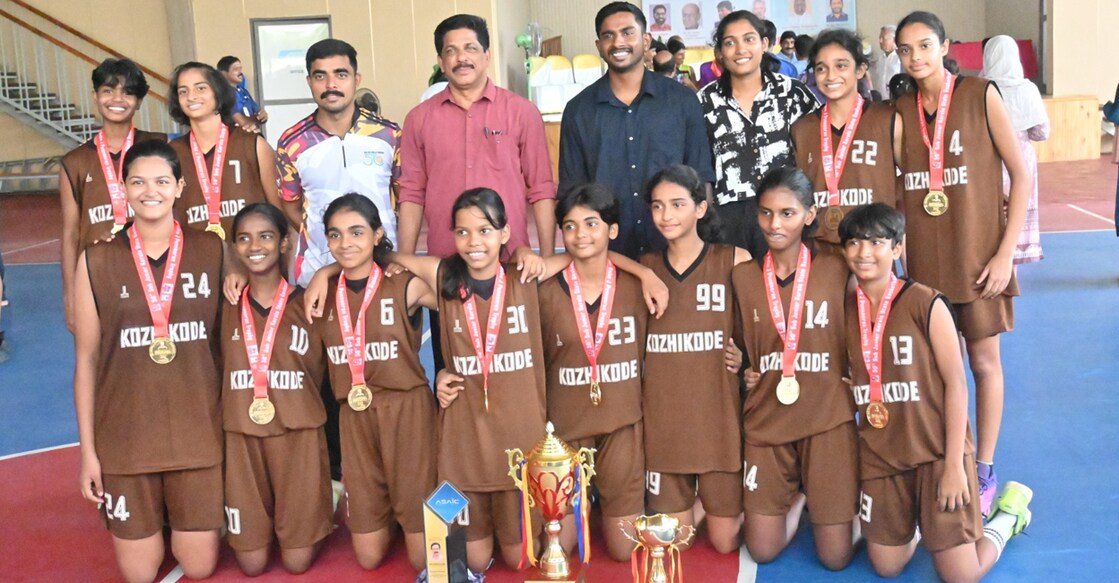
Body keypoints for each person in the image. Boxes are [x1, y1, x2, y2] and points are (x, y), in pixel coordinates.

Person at [838, 203, 1034, 581]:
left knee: (961, 576)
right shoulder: (846, 308)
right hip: (883, 453)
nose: (864, 253)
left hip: (935, 451)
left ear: (897, 249)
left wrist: (954, 467)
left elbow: (957, 384)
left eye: (876, 242)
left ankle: (1007, 517)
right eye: (854, 243)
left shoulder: (926, 302)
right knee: (886, 566)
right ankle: (919, 521)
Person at [894, 10, 1030, 518]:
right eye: (906, 50)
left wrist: (1004, 252)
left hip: (979, 261)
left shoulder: (980, 94)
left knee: (983, 364)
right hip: (925, 271)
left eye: (925, 46)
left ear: (944, 45)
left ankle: (986, 466)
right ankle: (943, 459)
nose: (915, 58)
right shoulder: (900, 111)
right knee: (931, 373)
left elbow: (1021, 173)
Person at [72, 140, 224, 583]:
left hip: (196, 434)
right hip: (127, 438)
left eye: (161, 181)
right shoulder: (96, 259)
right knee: (139, 574)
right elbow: (86, 360)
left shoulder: (213, 252)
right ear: (123, 190)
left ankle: (176, 514)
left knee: (198, 566)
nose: (149, 191)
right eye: (137, 182)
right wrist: (89, 453)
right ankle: (152, 516)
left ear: (180, 187)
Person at [388, 189, 547, 574]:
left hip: (518, 443)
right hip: (466, 442)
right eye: (462, 232)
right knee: (470, 561)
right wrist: (326, 272)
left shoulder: (526, 277)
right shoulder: (444, 277)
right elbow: (382, 256)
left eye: (485, 230)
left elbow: (587, 258)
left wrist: (529, 251)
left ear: (506, 233)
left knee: (521, 559)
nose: (474, 242)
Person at [398, 14, 557, 373]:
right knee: (453, 374)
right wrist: (404, 261)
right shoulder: (419, 119)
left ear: (486, 55)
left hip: (512, 264)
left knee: (516, 369)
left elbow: (542, 188)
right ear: (441, 62)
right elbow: (411, 193)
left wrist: (546, 257)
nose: (461, 58)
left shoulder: (521, 113)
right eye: (451, 51)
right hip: (447, 267)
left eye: (470, 48)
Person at [732, 167, 857, 569]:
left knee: (836, 559)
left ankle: (832, 499)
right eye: (766, 213)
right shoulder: (742, 277)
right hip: (768, 420)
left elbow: (872, 321)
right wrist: (743, 369)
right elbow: (740, 349)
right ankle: (803, 494)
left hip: (827, 417)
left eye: (787, 213)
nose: (775, 224)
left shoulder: (839, 269)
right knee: (762, 550)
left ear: (809, 214)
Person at [319, 194, 439, 571]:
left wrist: (391, 257)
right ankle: (386, 513)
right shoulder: (322, 292)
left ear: (377, 233)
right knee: (368, 558)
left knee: (423, 560)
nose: (346, 243)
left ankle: (411, 514)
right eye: (335, 235)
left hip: (406, 409)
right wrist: (324, 274)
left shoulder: (403, 283)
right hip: (354, 414)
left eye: (357, 232)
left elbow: (451, 279)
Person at [640, 165, 750, 555]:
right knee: (676, 544)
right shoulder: (645, 269)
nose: (666, 215)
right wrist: (634, 268)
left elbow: (762, 320)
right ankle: (694, 504)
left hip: (717, 421)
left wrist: (745, 355)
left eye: (677, 204)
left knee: (725, 544)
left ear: (701, 208)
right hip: (665, 427)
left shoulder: (734, 259)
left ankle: (713, 502)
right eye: (657, 206)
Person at [221, 203, 331, 576]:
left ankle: (320, 497)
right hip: (242, 435)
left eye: (266, 235)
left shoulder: (310, 302)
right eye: (244, 238)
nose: (255, 246)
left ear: (285, 242)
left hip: (298, 434)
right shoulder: (224, 305)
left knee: (297, 561)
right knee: (251, 563)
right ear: (234, 248)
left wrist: (327, 270)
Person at [539, 184, 647, 561]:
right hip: (564, 431)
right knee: (556, 548)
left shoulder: (639, 286)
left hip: (621, 423)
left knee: (622, 551)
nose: (580, 234)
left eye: (591, 223)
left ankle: (607, 497)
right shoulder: (543, 290)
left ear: (612, 231)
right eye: (569, 226)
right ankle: (587, 499)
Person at [559, 1, 715, 259]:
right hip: (606, 258)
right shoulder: (579, 110)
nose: (618, 42)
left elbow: (701, 177)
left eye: (628, 32)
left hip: (675, 255)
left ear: (646, 40)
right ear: (599, 46)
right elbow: (571, 192)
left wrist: (700, 249)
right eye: (608, 35)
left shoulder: (682, 101)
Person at [276, 39, 402, 287]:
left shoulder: (389, 135)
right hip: (318, 272)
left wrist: (398, 255)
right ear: (309, 82)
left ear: (357, 80)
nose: (331, 84)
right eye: (320, 76)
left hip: (384, 267)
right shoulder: (292, 142)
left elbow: (405, 198)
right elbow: (291, 206)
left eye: (341, 74)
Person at [698, 10, 818, 260]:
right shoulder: (704, 101)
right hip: (727, 218)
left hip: (784, 214)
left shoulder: (792, 93)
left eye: (749, 39)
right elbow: (699, 164)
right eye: (729, 42)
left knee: (784, 289)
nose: (740, 49)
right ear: (719, 52)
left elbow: (815, 151)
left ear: (765, 44)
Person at [60, 58, 166, 333]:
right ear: (95, 96)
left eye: (128, 92)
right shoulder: (74, 162)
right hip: (100, 277)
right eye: (108, 90)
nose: (117, 99)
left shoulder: (161, 146)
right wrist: (70, 296)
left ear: (140, 101)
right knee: (104, 364)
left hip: (160, 274)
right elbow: (71, 233)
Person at [791, 29, 898, 256]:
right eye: (821, 68)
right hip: (821, 251)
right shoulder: (802, 129)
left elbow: (907, 188)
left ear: (860, 70)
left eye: (841, 66)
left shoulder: (887, 119)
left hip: (874, 249)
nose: (830, 76)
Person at [168, 62, 282, 240]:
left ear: (217, 91)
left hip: (253, 260)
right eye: (183, 91)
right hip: (198, 262)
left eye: (200, 88)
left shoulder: (253, 144)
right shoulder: (172, 153)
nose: (191, 96)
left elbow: (281, 214)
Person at [982, 35, 1048, 264]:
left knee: (990, 212)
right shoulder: (1027, 88)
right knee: (1018, 207)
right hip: (1021, 158)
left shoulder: (980, 88)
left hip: (988, 159)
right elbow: (1042, 132)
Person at [216, 56, 268, 133]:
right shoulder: (224, 94)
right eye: (236, 69)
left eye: (240, 69)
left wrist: (263, 116)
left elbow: (258, 113)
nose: (240, 73)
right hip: (236, 138)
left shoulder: (244, 92)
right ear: (223, 74)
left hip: (251, 136)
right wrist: (256, 118)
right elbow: (242, 122)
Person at [874, 26, 902, 100]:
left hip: (897, 100)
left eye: (883, 38)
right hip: (882, 100)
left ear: (894, 40)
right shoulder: (880, 56)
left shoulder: (900, 57)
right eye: (880, 38)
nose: (880, 41)